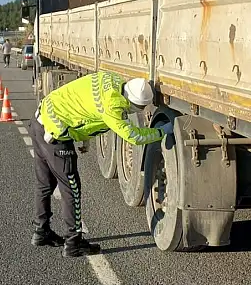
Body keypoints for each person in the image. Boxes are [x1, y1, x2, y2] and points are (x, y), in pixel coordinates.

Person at [28, 71, 174, 257]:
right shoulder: (113, 108)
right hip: (54, 135)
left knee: (44, 184)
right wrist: (161, 132)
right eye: (139, 108)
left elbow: (85, 107)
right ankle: (73, 242)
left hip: (40, 120)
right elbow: (134, 136)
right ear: (134, 104)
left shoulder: (111, 79)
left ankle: (41, 231)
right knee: (71, 188)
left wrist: (84, 140)